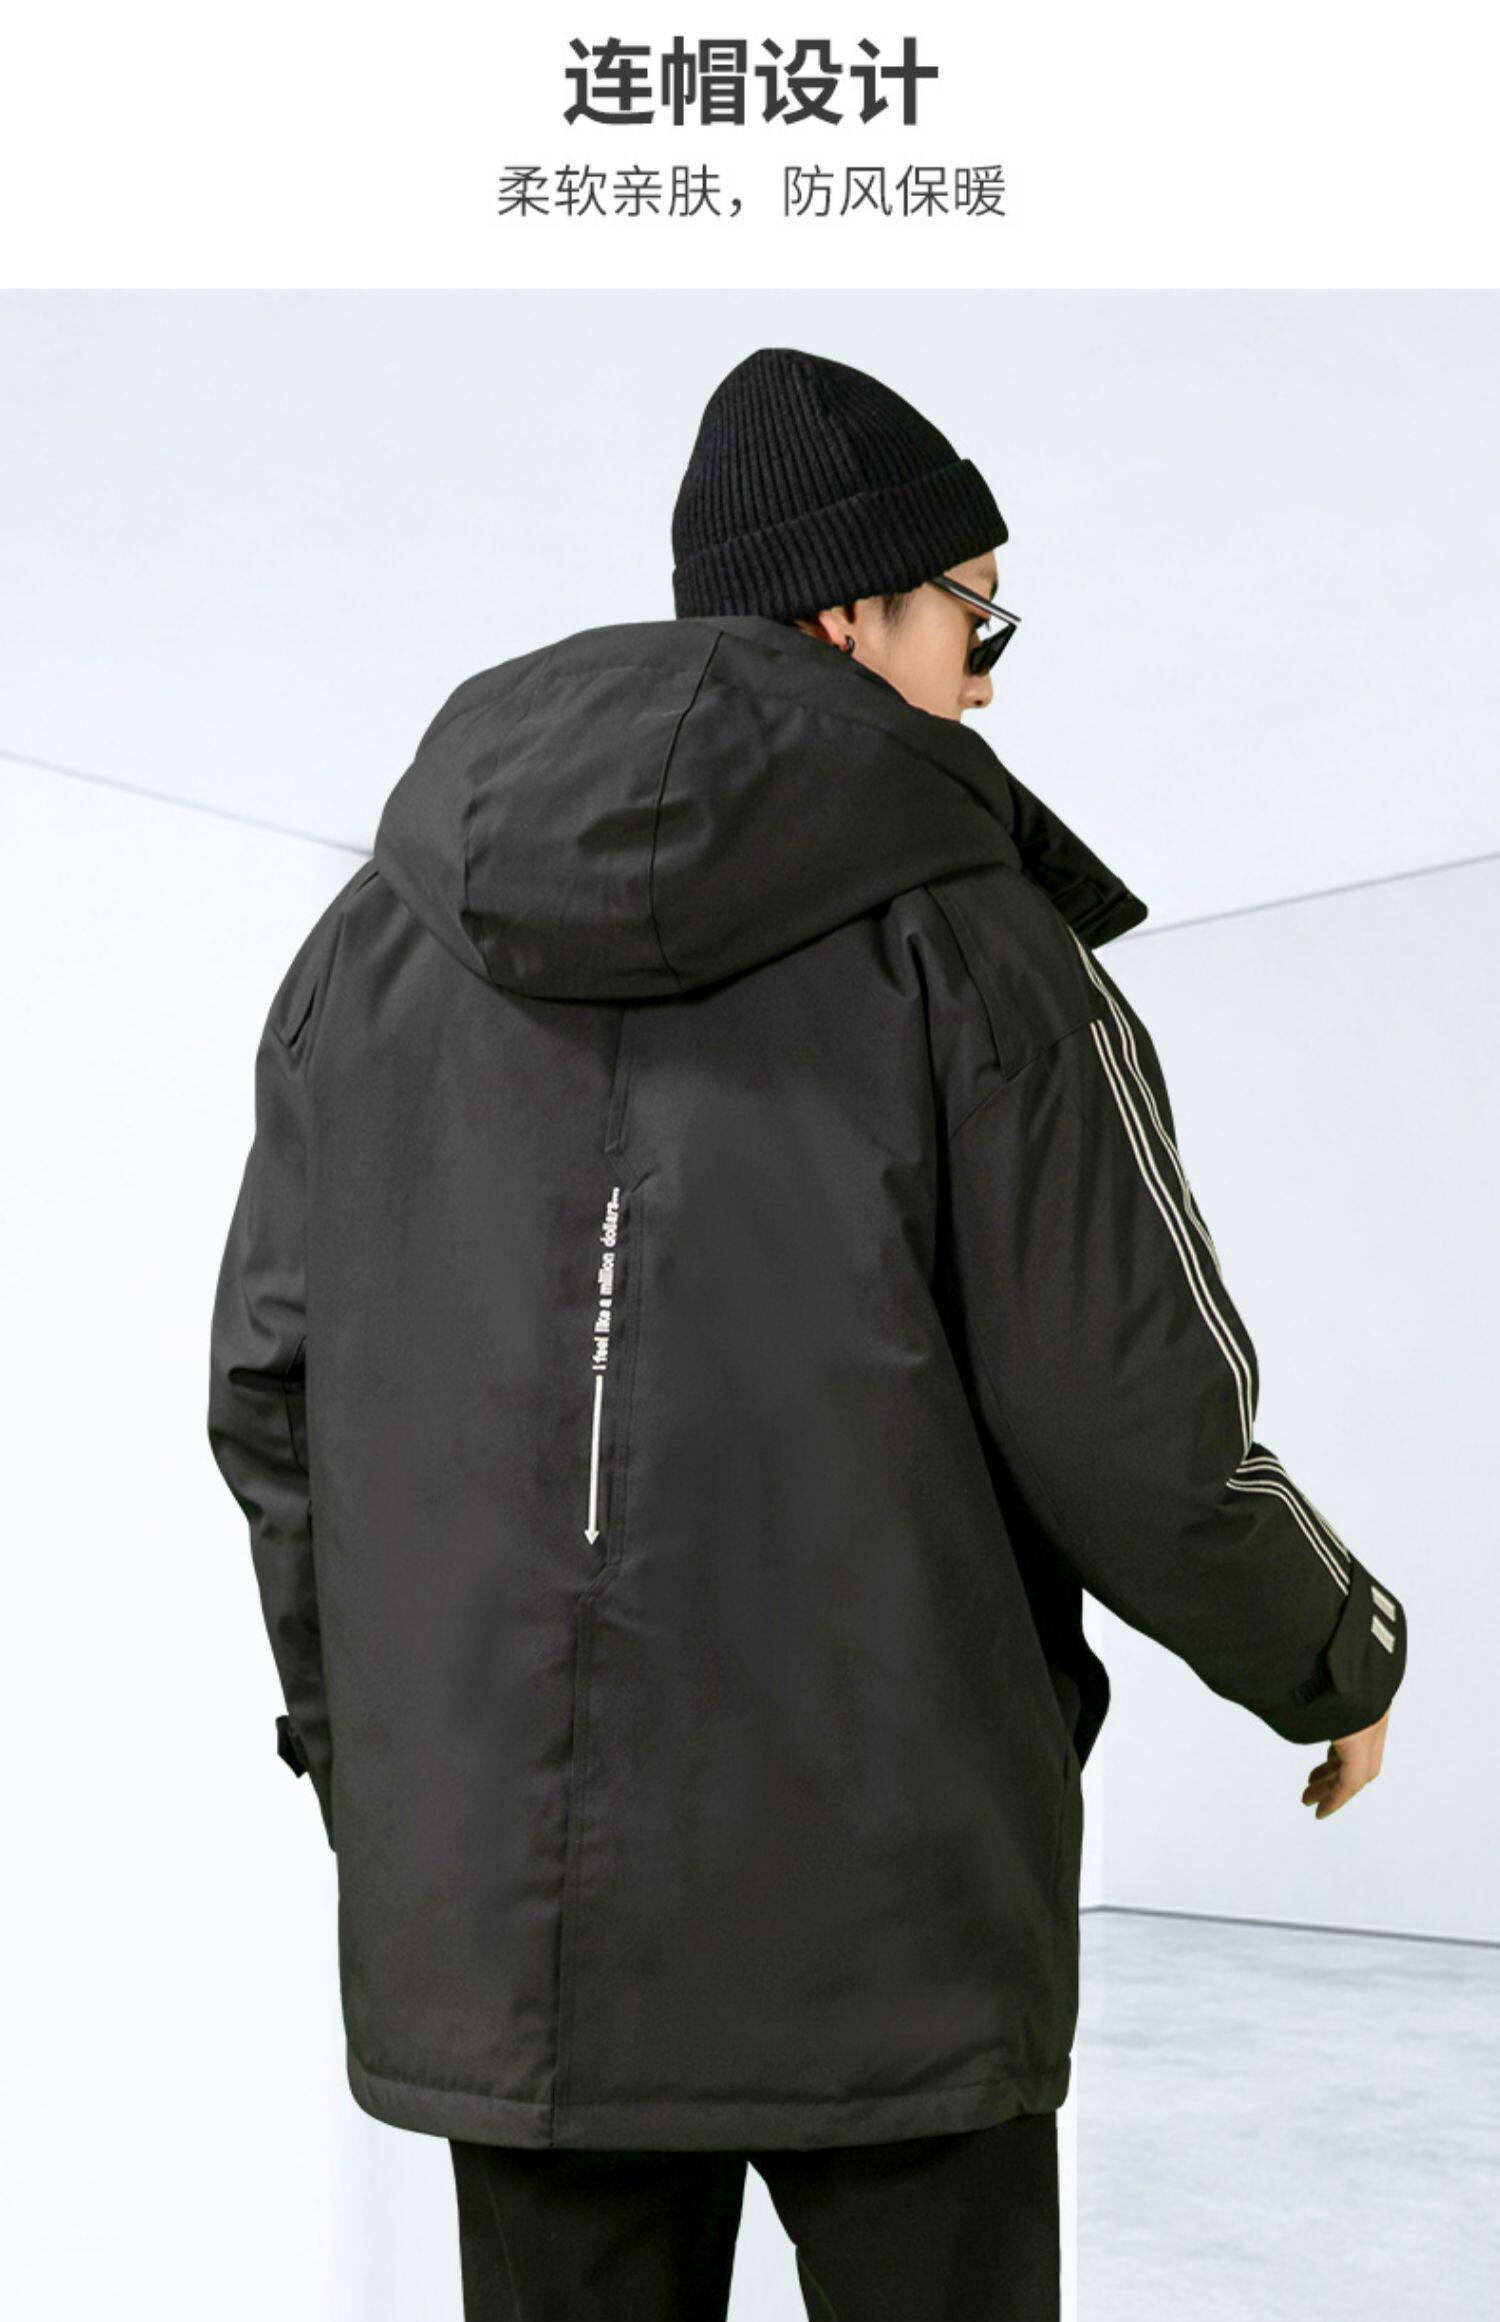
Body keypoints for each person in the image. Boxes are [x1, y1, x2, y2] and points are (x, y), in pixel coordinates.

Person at [207, 346, 1407, 2319]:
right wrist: (1333, 1650)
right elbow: (1131, 1412)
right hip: (895, 1923)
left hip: (520, 1928)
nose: (987, 680)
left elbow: (273, 1396)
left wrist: (388, 1770)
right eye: (974, 617)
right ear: (854, 611)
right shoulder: (976, 940)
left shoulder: (375, 944)